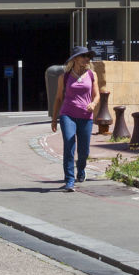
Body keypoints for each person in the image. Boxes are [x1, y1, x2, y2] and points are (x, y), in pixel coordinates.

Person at [49, 46, 102, 191]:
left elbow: (97, 95)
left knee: (84, 151)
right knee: (69, 142)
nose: (87, 59)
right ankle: (69, 180)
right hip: (68, 115)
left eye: (88, 57)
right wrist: (54, 119)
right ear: (75, 59)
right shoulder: (64, 77)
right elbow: (59, 98)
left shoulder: (92, 75)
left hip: (86, 116)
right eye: (83, 56)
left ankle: (81, 169)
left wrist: (93, 103)